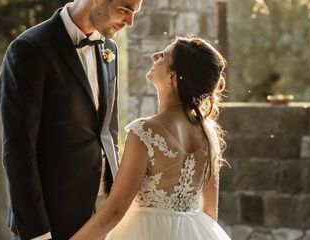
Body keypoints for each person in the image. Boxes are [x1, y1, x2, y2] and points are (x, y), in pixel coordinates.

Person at [0, 0, 155, 240]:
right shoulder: (30, 50)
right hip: (53, 219)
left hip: (105, 215)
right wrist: (37, 233)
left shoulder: (110, 49)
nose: (130, 22)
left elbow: (107, 130)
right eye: (125, 9)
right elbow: (18, 151)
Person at [70, 36, 231, 240]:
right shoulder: (208, 134)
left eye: (163, 55)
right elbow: (210, 212)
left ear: (173, 77)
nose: (154, 56)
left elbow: (115, 212)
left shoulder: (145, 132)